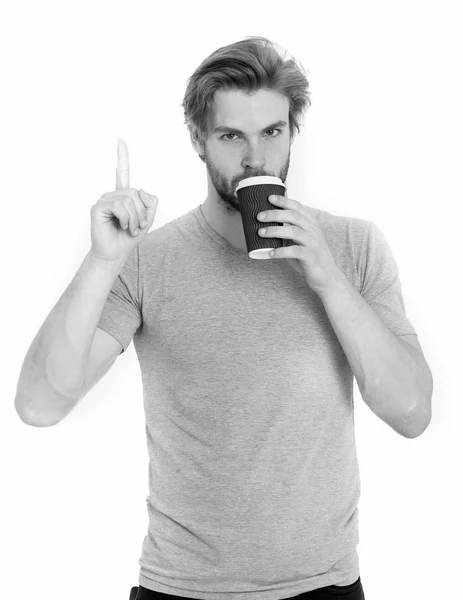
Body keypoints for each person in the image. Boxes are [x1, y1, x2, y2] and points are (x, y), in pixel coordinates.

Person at [16, 36, 434, 600]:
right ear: (198, 139)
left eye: (272, 133)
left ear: (294, 133)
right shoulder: (147, 261)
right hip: (180, 590)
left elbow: (412, 413)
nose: (255, 158)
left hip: (325, 587)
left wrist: (329, 280)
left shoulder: (354, 247)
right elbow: (40, 405)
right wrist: (102, 261)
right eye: (231, 136)